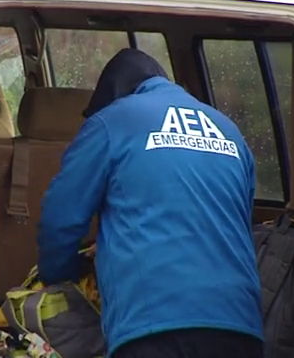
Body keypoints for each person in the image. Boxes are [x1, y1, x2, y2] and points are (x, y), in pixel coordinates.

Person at [36, 48, 263, 358]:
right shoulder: (230, 132)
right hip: (241, 327)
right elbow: (241, 219)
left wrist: (59, 281)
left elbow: (60, 219)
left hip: (152, 329)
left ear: (114, 95)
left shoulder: (112, 121)